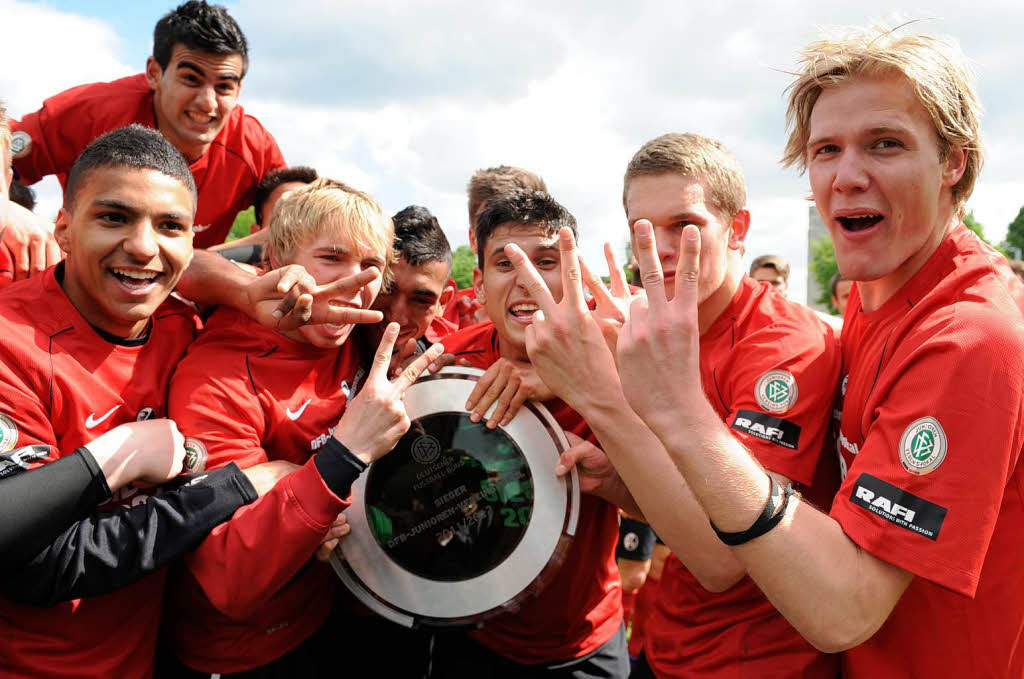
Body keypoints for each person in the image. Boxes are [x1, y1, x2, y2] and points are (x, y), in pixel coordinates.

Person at [604, 25, 1022, 678]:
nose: (848, 176)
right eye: (827, 149)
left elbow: (844, 610)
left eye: (885, 144)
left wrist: (674, 409)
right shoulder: (873, 289)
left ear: (953, 163)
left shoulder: (969, 335)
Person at [503, 133, 840, 678]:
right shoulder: (651, 327)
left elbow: (723, 558)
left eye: (685, 225)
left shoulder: (782, 346)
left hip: (757, 662)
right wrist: (614, 478)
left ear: (738, 230)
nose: (659, 248)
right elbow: (680, 504)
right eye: (642, 229)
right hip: (667, 645)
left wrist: (599, 395)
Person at [0, 125, 294, 679]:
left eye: (170, 227)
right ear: (62, 229)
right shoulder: (9, 343)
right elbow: (38, 565)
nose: (142, 246)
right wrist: (226, 488)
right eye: (113, 218)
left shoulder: (184, 325)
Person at [163, 178, 443, 676]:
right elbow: (229, 577)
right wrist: (344, 453)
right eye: (331, 258)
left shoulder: (363, 338)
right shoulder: (216, 375)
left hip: (323, 618)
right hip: (237, 653)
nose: (354, 281)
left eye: (369, 266)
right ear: (274, 262)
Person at [432, 189, 628, 678]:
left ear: (576, 277)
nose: (527, 280)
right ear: (477, 284)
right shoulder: (446, 370)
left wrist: (606, 478)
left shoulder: (623, 365)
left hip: (584, 639)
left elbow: (672, 513)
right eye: (506, 264)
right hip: (473, 635)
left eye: (546, 261)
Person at [8, 0, 283, 261]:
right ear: (154, 73)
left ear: (239, 89)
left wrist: (208, 262)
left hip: (188, 294)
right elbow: (5, 142)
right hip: (82, 283)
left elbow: (303, 203)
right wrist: (7, 210)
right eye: (191, 79)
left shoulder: (250, 144)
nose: (207, 102)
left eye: (224, 86)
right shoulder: (96, 112)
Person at [443, 165, 549, 329]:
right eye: (491, 223)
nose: (509, 233)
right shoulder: (444, 311)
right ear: (474, 239)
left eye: (523, 220)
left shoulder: (586, 321)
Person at [370, 204, 457, 355]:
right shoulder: (323, 332)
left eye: (420, 300)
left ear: (442, 303)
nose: (396, 318)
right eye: (384, 289)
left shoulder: (441, 364)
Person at [212, 165, 319, 265]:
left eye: (308, 211)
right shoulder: (240, 275)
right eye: (283, 213)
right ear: (256, 232)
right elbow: (197, 264)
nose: (298, 222)